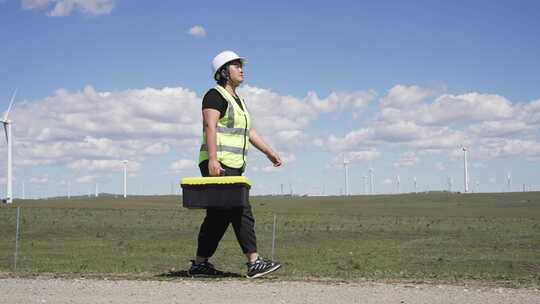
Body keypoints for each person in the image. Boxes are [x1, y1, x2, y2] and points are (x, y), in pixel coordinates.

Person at [188, 50, 283, 279]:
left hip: (232, 166)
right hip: (218, 163)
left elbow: (248, 131)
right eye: (236, 65)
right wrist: (212, 159)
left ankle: (200, 264)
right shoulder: (214, 95)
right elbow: (210, 126)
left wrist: (269, 152)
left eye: (241, 65)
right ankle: (254, 261)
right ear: (223, 72)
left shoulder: (238, 101)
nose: (241, 69)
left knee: (219, 217)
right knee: (241, 211)